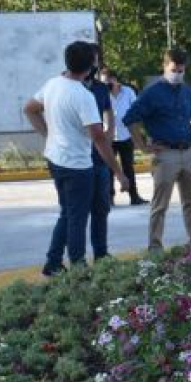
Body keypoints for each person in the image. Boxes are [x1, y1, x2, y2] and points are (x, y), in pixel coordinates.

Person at [23, 40, 126, 276]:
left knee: (68, 213)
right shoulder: (83, 96)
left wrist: (49, 135)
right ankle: (77, 266)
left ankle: (53, 262)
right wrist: (118, 172)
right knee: (77, 217)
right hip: (77, 164)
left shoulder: (53, 85)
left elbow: (29, 108)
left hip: (56, 159)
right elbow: (99, 139)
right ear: (91, 66)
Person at [124, 48, 191, 251]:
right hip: (165, 154)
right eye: (174, 69)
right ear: (165, 67)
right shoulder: (151, 93)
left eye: (181, 70)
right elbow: (130, 118)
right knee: (160, 205)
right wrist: (142, 146)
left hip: (188, 152)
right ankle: (155, 246)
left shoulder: (187, 90)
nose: (177, 74)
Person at [84, 46, 117, 261]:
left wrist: (110, 130)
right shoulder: (68, 87)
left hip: (99, 157)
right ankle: (72, 259)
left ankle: (101, 253)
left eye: (97, 60)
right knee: (74, 214)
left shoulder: (100, 88)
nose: (95, 65)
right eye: (92, 60)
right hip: (76, 159)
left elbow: (108, 110)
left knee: (101, 208)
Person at [103, 67, 146, 205]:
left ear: (115, 79)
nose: (106, 85)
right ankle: (109, 198)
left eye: (108, 81)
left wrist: (136, 131)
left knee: (128, 167)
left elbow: (135, 109)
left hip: (126, 135)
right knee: (108, 168)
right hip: (108, 136)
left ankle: (134, 196)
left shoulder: (128, 91)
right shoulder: (102, 93)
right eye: (103, 82)